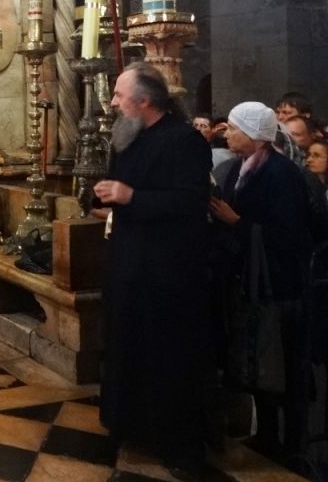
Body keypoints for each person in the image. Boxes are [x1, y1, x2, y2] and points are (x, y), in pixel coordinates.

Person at [93, 62, 213, 479]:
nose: (112, 102)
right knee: (127, 347)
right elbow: (121, 190)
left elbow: (190, 202)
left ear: (144, 100)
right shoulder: (129, 137)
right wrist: (105, 195)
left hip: (167, 273)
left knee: (167, 356)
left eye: (119, 95)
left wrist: (130, 197)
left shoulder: (183, 140)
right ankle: (132, 426)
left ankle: (178, 444)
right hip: (128, 266)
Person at [209, 102, 314, 465]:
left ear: (255, 134)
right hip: (250, 283)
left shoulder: (281, 174)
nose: (227, 134)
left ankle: (293, 445)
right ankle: (268, 435)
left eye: (234, 128)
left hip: (279, 288)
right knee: (260, 366)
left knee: (284, 366)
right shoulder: (239, 167)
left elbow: (292, 236)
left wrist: (238, 223)